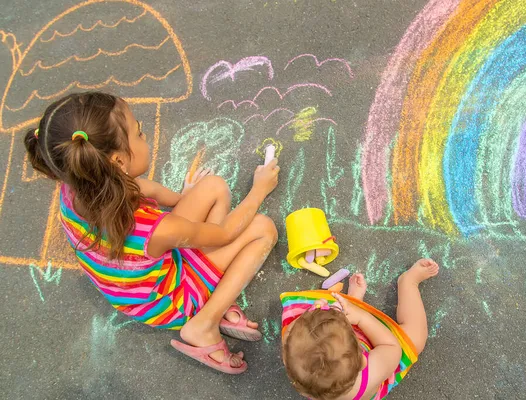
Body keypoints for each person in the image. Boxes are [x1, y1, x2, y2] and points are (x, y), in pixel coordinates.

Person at [24, 91, 279, 374]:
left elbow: (145, 188)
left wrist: (183, 198)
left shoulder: (79, 185)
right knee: (262, 228)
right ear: (119, 162)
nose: (144, 136)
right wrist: (258, 190)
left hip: (136, 286)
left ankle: (211, 295)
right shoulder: (156, 230)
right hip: (169, 300)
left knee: (215, 187)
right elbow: (223, 234)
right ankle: (205, 322)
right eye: (140, 133)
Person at [281, 259, 439, 399]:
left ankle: (353, 301)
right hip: (381, 348)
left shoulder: (301, 366)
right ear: (363, 361)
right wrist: (361, 317)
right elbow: (391, 347)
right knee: (416, 337)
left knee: (310, 331)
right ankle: (409, 282)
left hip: (336, 352)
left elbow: (292, 335)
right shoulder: (368, 376)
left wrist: (315, 313)